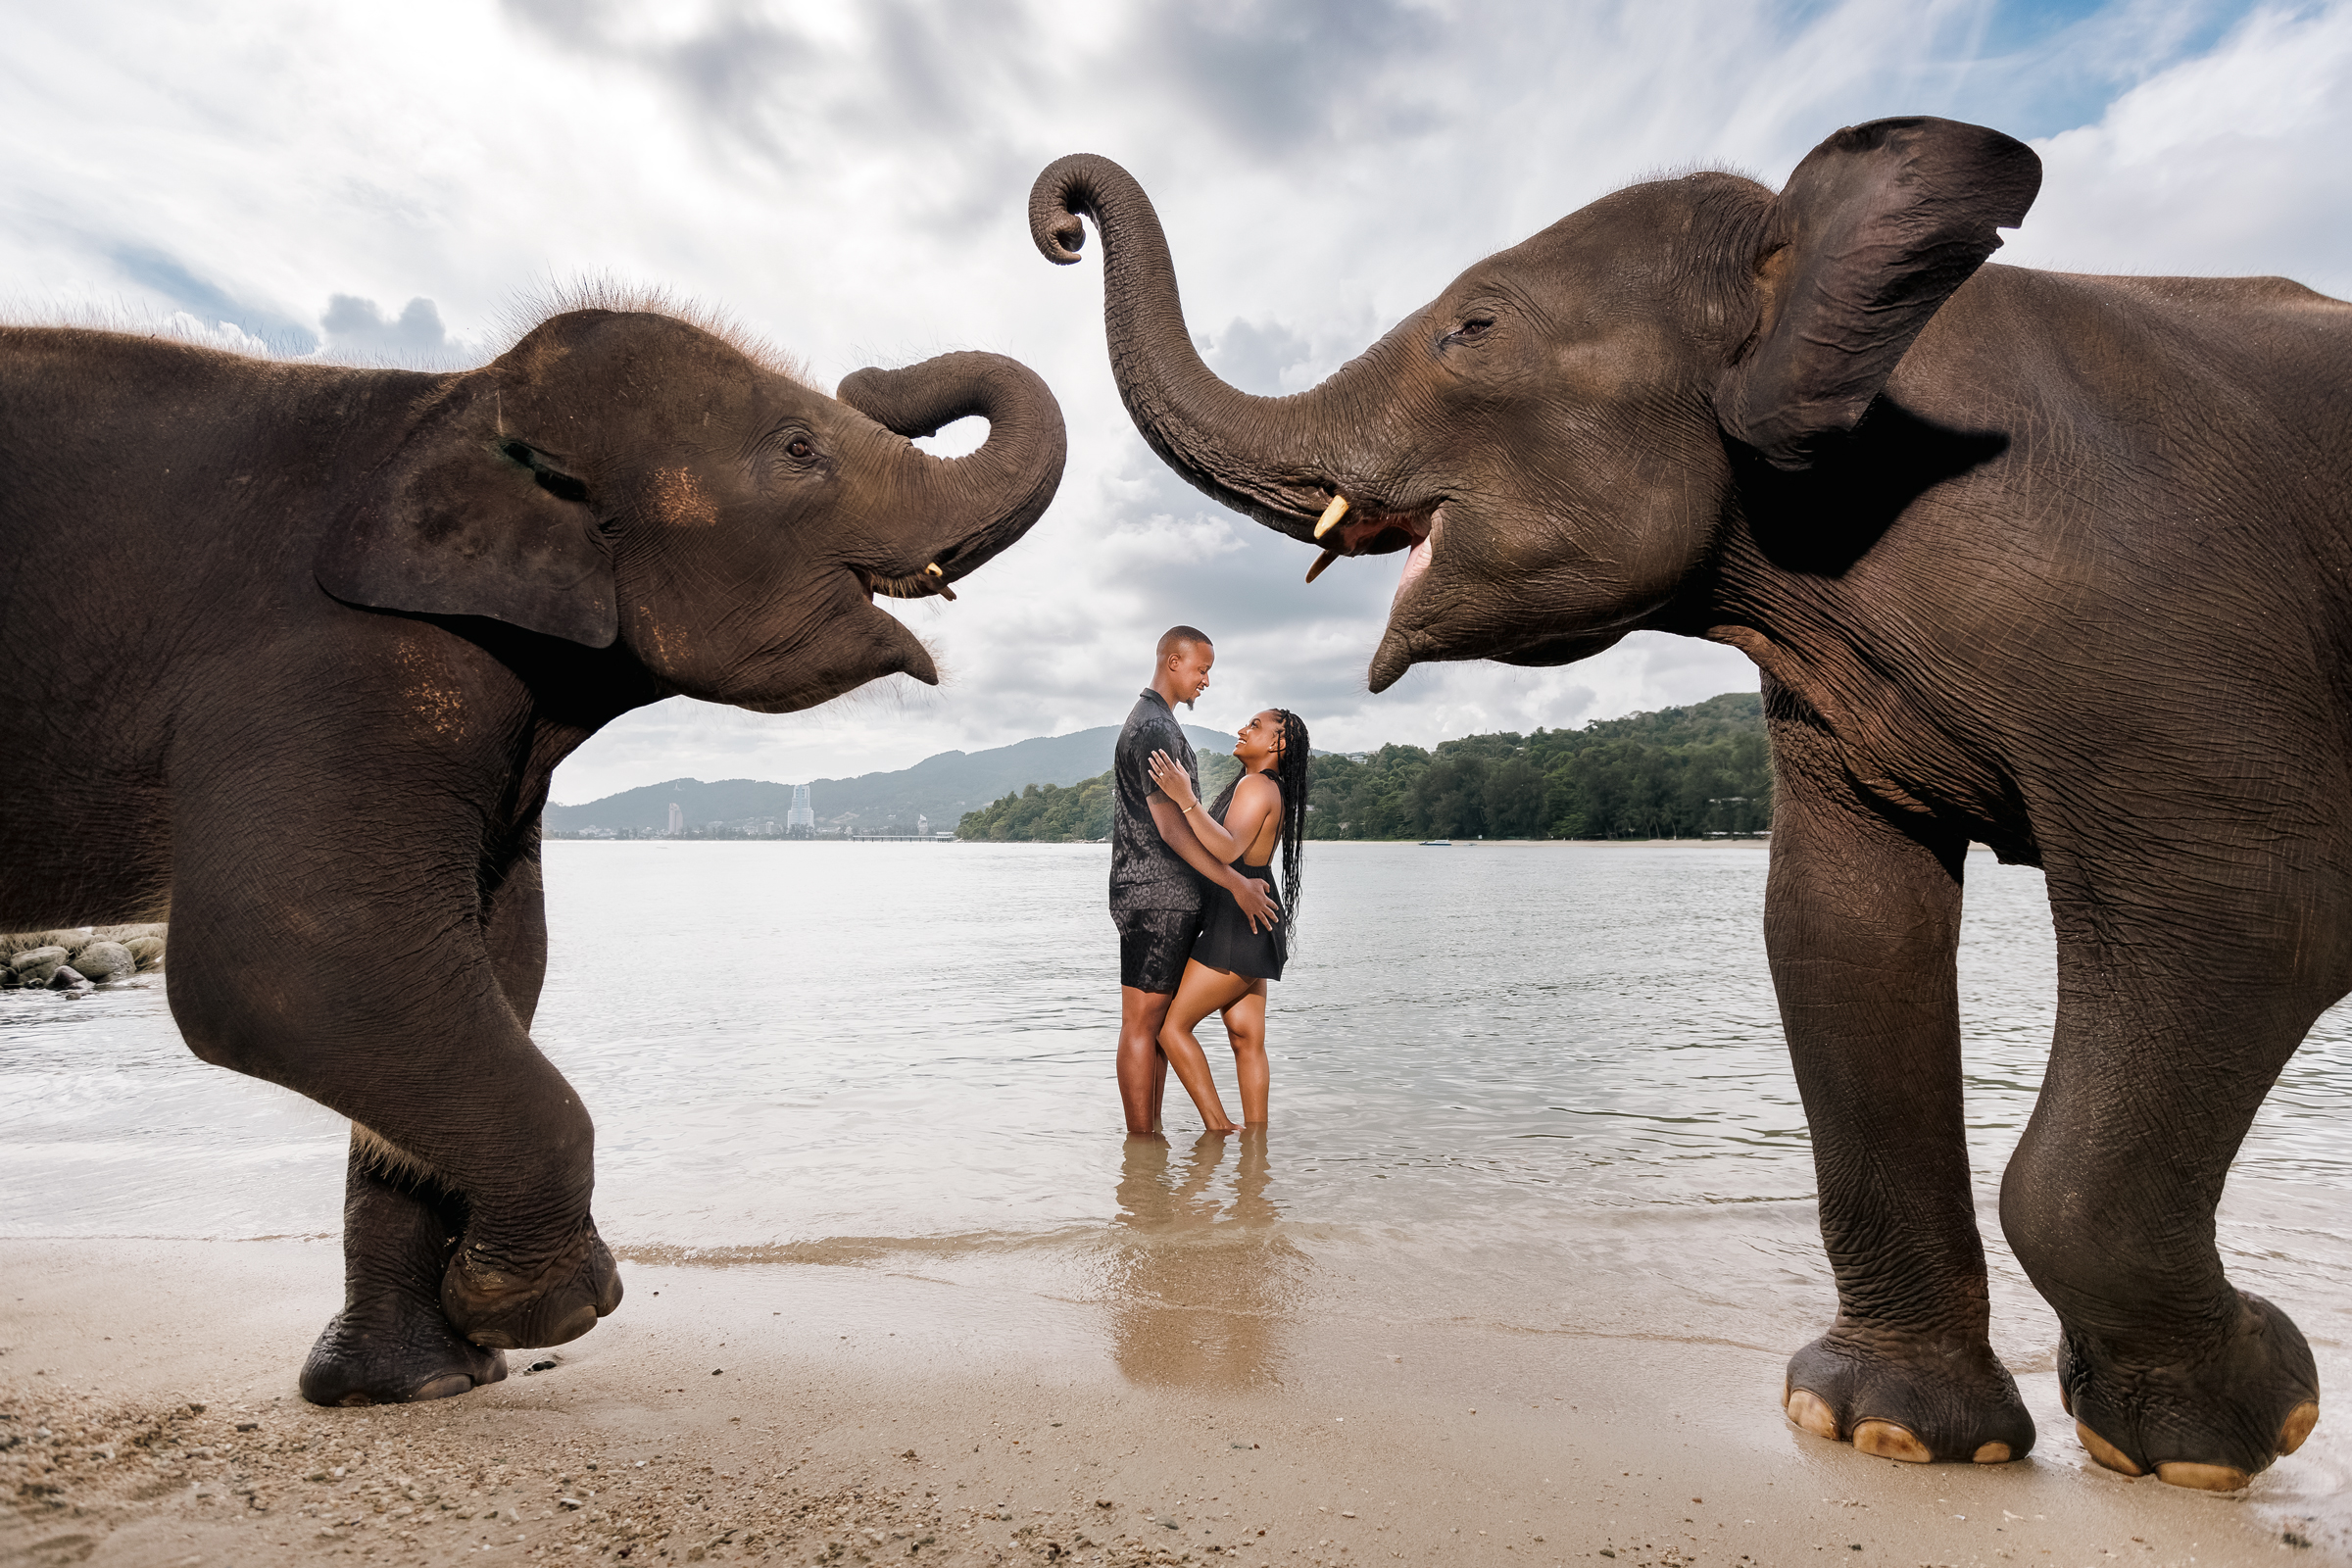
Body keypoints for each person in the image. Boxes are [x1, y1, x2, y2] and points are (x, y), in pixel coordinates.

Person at [1109, 627, 1282, 1137]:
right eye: (1202, 669)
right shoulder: (1155, 728)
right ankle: (1144, 1146)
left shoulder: (1159, 725)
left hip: (1160, 894)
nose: (1206, 680)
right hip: (1155, 893)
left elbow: (1194, 828)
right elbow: (1171, 829)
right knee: (1146, 1024)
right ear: (1173, 661)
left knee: (1157, 1024)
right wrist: (1235, 884)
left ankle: (1151, 1153)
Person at [1147, 708, 1310, 1131]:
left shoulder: (1256, 785)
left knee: (1171, 1028)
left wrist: (1184, 799)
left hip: (1240, 922)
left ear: (1278, 743)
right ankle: (1256, 1148)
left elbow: (1227, 849)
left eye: (1255, 726)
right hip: (1254, 917)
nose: (1242, 729)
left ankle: (1219, 1128)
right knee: (1245, 1036)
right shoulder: (1264, 786)